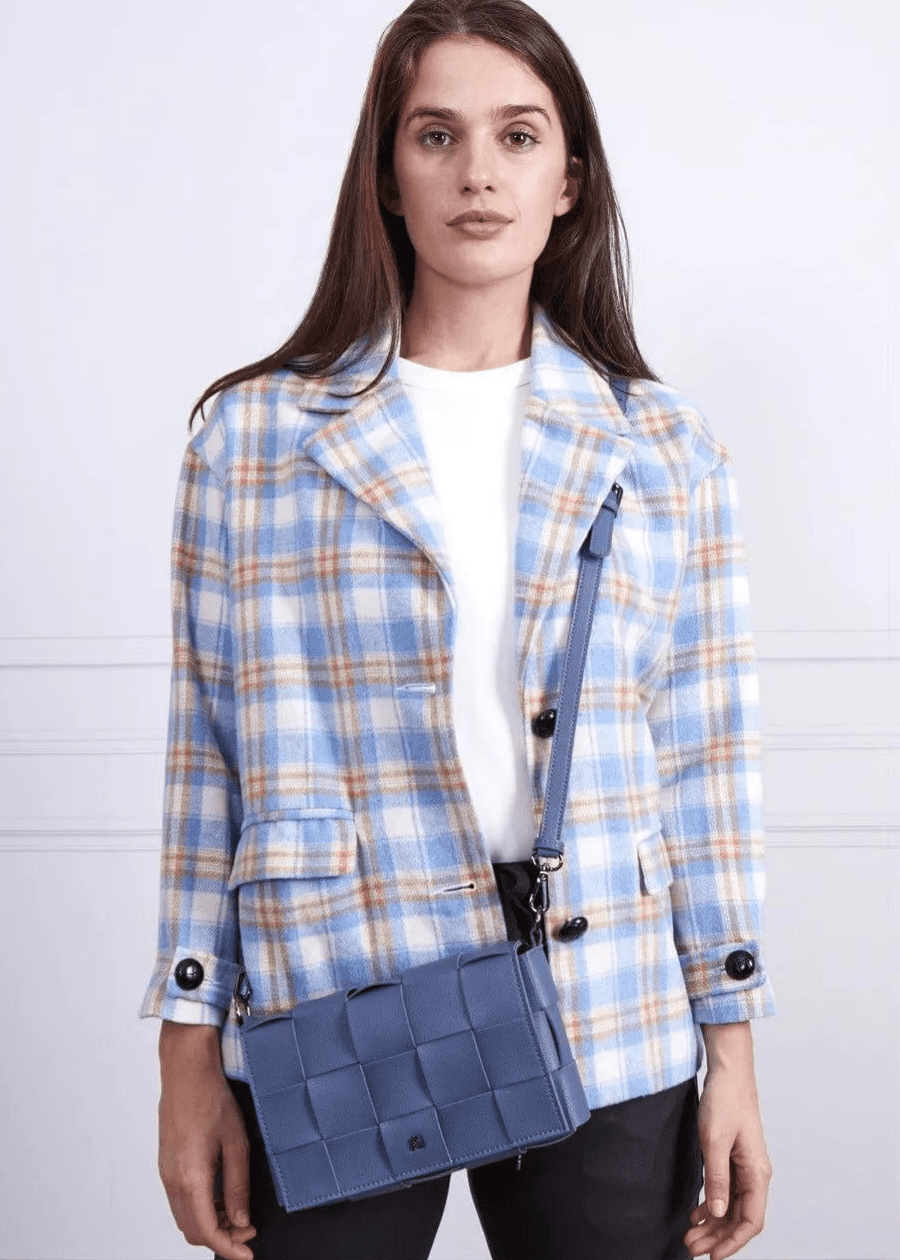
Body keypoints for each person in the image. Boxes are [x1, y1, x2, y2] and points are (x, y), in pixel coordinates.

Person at [139, 3, 777, 1258]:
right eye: (435, 135)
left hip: (609, 1011)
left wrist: (735, 1045)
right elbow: (205, 757)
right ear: (387, 173)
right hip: (338, 993)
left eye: (517, 135)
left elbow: (703, 768)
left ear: (568, 178)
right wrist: (187, 1050)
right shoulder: (256, 440)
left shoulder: (663, 451)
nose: (478, 172)